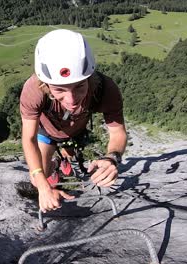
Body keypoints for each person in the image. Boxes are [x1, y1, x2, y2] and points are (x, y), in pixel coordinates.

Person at [20, 29, 127, 213]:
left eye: (79, 86)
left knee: (69, 154)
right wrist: (42, 185)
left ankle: (64, 160)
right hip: (46, 133)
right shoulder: (33, 91)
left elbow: (118, 133)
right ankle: (53, 167)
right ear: (45, 85)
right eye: (59, 90)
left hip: (76, 130)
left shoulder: (105, 88)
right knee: (39, 177)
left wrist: (112, 157)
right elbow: (29, 139)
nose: (71, 100)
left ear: (90, 79)